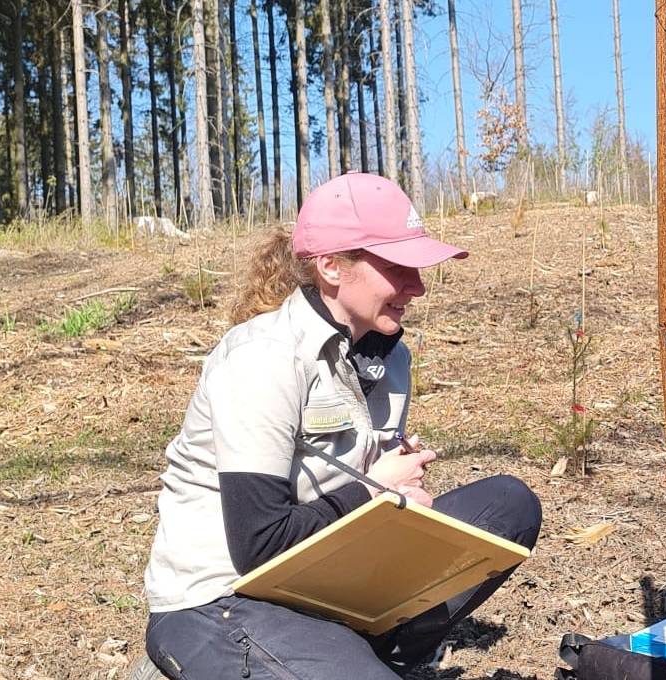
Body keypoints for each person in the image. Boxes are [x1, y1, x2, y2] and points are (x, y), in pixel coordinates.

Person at [141, 173, 542, 679]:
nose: (416, 287)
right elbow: (260, 542)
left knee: (509, 507)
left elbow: (355, 501)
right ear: (331, 266)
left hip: (320, 582)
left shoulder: (390, 360)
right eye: (398, 267)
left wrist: (400, 492)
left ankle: (363, 654)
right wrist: (375, 492)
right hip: (219, 601)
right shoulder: (262, 358)